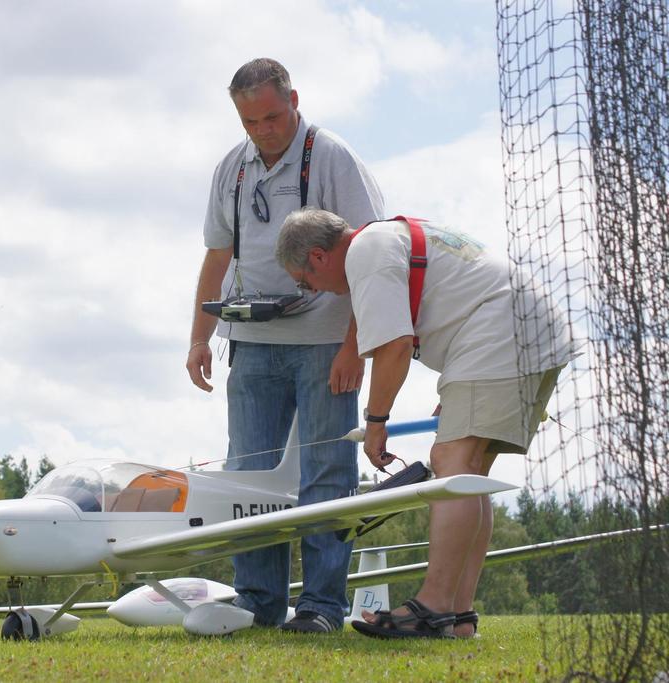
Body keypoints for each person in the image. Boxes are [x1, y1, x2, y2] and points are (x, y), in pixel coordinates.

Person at [275, 208, 574, 638]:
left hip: (502, 333)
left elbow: (395, 347)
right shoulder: (384, 239)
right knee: (469, 474)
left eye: (305, 282)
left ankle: (432, 608)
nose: (316, 291)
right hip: (526, 331)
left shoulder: (365, 253)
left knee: (452, 463)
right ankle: (457, 616)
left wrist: (375, 423)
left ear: (318, 256)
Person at [185, 58, 384, 633]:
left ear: (294, 100)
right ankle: (258, 603)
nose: (263, 131)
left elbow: (371, 252)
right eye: (250, 122)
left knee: (327, 473)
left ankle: (321, 607)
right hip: (250, 343)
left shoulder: (333, 157)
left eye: (272, 117)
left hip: (324, 342)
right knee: (247, 475)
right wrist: (199, 336)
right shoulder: (232, 168)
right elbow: (217, 255)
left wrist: (354, 345)